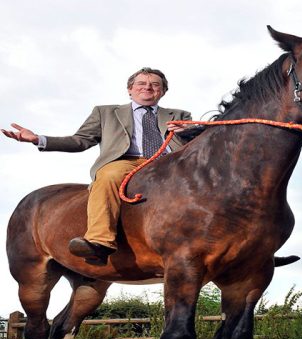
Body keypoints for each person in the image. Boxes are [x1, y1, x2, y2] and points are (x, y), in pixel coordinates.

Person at [2, 68, 192, 265]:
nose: (148, 87)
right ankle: (99, 242)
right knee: (108, 175)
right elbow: (79, 141)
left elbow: (197, 146)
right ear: (130, 89)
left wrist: (189, 131)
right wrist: (38, 139)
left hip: (168, 164)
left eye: (155, 84)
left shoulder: (180, 115)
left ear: (163, 91)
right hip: (126, 162)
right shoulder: (105, 112)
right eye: (141, 83)